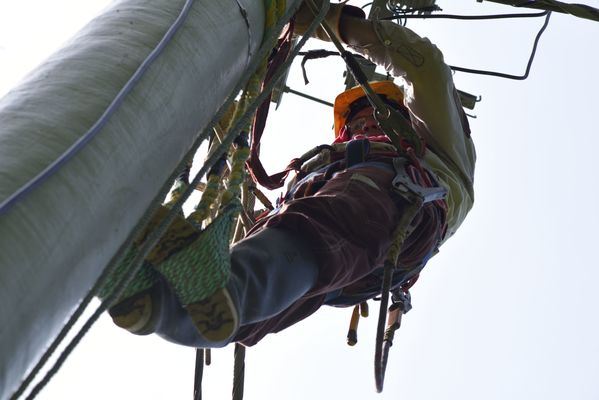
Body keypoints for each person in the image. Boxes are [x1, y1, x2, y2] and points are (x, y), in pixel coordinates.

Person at [106, 1, 476, 349]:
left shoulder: (437, 148)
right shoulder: (328, 166)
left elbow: (424, 65)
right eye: (354, 120)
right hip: (335, 264)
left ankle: (219, 288)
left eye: (374, 112)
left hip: (392, 209)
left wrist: (327, 22)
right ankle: (160, 303)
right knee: (247, 316)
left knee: (322, 225)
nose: (362, 122)